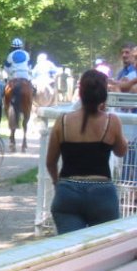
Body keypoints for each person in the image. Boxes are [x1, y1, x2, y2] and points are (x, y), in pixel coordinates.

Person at [46, 69, 128, 234]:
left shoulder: (62, 121)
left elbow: (50, 162)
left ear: (81, 92)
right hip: (102, 193)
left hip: (67, 191)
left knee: (70, 249)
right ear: (103, 94)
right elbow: (121, 151)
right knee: (103, 249)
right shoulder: (112, 121)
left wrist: (57, 183)